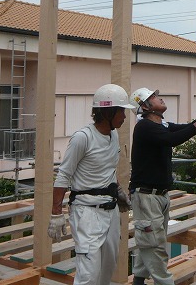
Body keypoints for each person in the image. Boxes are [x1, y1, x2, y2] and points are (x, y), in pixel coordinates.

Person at [47, 84, 135, 285]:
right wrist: (56, 213)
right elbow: (63, 176)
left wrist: (118, 190)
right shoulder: (82, 138)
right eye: (121, 111)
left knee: (107, 269)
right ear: (107, 112)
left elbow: (108, 169)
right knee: (88, 274)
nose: (124, 116)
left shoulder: (113, 136)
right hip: (87, 213)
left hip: (110, 211)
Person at [129, 87, 196, 285]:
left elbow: (180, 129)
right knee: (155, 246)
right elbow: (173, 139)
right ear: (145, 107)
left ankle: (138, 280)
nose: (159, 98)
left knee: (150, 242)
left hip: (158, 196)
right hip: (147, 197)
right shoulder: (145, 127)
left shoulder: (161, 124)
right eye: (153, 97)